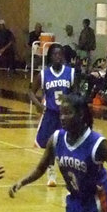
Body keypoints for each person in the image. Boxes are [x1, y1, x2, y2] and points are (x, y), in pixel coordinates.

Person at [30, 43, 76, 186]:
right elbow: (30, 91)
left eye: (60, 54)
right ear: (50, 56)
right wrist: (38, 104)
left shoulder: (71, 73)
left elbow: (76, 93)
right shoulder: (44, 74)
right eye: (55, 54)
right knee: (50, 146)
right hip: (50, 114)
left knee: (67, 145)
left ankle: (69, 175)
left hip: (66, 116)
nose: (58, 57)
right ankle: (51, 172)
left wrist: (74, 107)